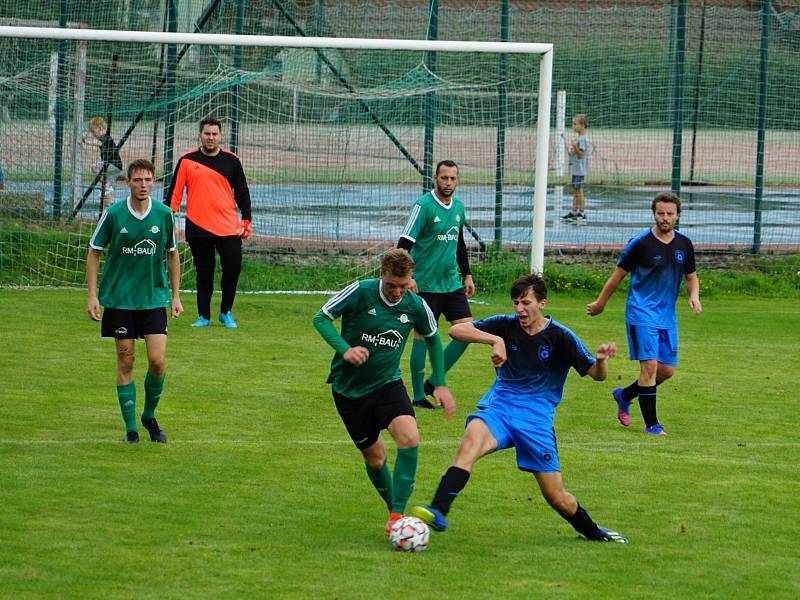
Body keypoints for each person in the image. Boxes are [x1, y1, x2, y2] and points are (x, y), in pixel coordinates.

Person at [411, 273, 628, 544]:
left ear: (542, 303)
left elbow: (597, 375)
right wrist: (494, 340)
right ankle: (438, 510)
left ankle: (594, 532)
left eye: (526, 303)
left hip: (535, 420)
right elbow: (456, 330)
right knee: (470, 442)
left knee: (556, 497)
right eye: (515, 303)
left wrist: (600, 360)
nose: (519, 309)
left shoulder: (560, 337)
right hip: (499, 407)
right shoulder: (504, 325)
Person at [312, 248, 456, 536]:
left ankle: (397, 515)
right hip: (348, 390)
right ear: (381, 275)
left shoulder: (415, 305)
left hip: (387, 384)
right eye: (391, 285)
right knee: (376, 459)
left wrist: (439, 382)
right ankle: (395, 510)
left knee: (410, 438)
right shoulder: (360, 291)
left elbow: (433, 338)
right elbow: (321, 318)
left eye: (403, 286)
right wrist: (345, 350)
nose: (396, 292)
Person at [586, 191, 701, 435]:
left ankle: (625, 395)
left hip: (667, 316)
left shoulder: (684, 244)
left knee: (666, 370)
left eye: (670, 214)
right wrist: (600, 304)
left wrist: (694, 296)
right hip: (641, 312)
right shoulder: (640, 243)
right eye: (661, 213)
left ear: (677, 215)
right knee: (649, 367)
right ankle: (652, 425)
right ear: (654, 214)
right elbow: (616, 277)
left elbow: (691, 277)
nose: (665, 218)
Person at [86, 158, 183, 444]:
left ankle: (149, 415)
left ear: (154, 182)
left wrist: (175, 295)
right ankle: (131, 428)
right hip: (120, 300)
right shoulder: (114, 214)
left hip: (154, 298)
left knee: (157, 362)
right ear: (128, 182)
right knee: (126, 362)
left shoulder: (164, 214)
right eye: (137, 180)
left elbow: (173, 254)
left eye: (148, 180)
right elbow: (94, 252)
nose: (143, 185)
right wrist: (93, 295)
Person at [397, 159, 475, 409]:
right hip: (426, 285)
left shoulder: (459, 207)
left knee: (467, 333)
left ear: (458, 180)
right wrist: (407, 278)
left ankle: (434, 382)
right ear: (435, 178)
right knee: (422, 336)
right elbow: (403, 244)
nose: (449, 182)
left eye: (453, 178)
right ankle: (419, 396)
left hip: (451, 284)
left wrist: (467, 274)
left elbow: (459, 244)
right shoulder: (423, 206)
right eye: (444, 178)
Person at [166, 116, 252, 329]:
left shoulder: (232, 160)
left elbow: (242, 192)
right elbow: (174, 194)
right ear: (200, 135)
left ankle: (226, 312)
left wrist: (247, 219)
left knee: (232, 267)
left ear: (220, 136)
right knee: (204, 272)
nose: (211, 137)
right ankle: (203, 316)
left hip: (228, 227)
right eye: (207, 134)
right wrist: (169, 219)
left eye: (214, 134)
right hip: (198, 227)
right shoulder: (187, 160)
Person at [81, 116, 124, 208]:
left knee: (96, 168)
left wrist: (86, 141)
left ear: (99, 128)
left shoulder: (106, 138)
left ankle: (107, 185)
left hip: (114, 165)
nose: (93, 134)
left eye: (93, 131)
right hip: (108, 164)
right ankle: (106, 187)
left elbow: (98, 143)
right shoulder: (103, 138)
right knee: (95, 169)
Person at [561, 113, 590, 223]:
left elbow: (581, 155)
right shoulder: (579, 138)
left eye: (575, 124)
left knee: (579, 190)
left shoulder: (583, 139)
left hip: (580, 170)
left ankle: (581, 212)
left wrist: (574, 146)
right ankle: (574, 211)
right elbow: (572, 154)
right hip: (575, 169)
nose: (573, 126)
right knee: (574, 190)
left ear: (582, 125)